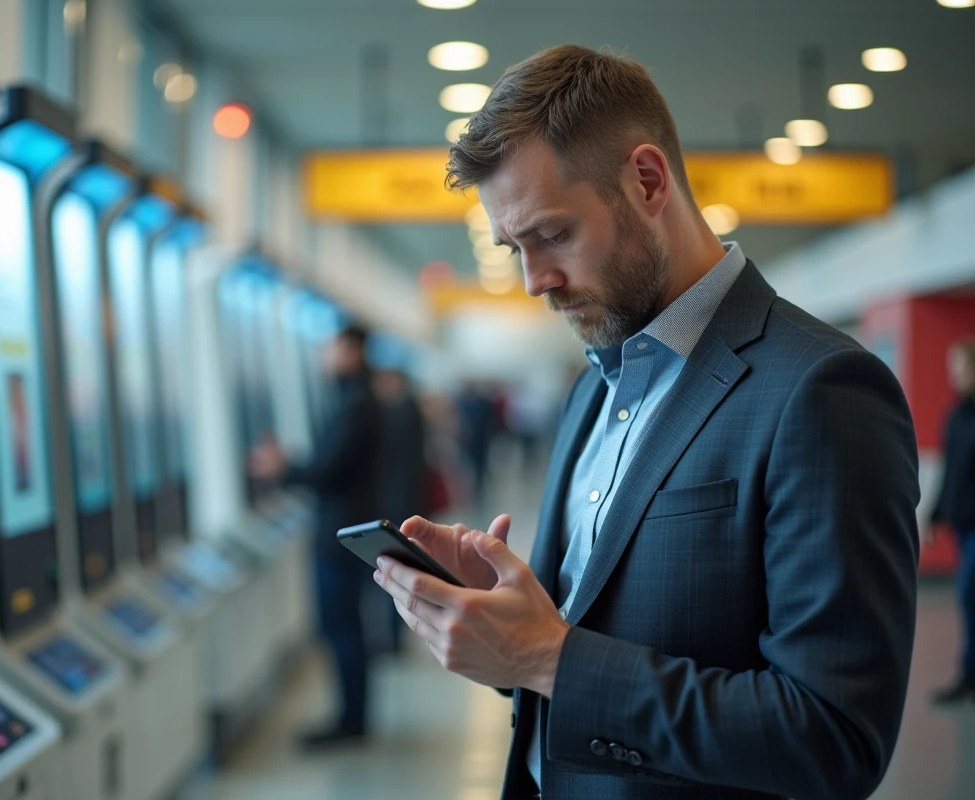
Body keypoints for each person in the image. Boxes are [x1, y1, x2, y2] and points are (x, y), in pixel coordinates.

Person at [373, 44, 920, 800]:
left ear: (648, 180)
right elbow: (583, 648)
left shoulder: (821, 389)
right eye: (514, 248)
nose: (534, 281)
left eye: (554, 235)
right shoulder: (592, 389)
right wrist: (510, 626)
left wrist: (547, 656)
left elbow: (833, 736)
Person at [249, 325, 380, 748]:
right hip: (345, 531)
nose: (325, 357)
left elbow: (329, 471)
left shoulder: (357, 404)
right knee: (345, 627)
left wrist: (283, 467)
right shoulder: (357, 400)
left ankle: (352, 721)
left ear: (351, 350)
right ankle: (352, 716)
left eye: (331, 348)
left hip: (340, 536)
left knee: (341, 628)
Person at [931, 338, 975, 705]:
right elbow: (949, 470)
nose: (954, 375)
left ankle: (968, 673)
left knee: (966, 591)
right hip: (962, 523)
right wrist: (934, 512)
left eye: (959, 367)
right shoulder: (955, 415)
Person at [373, 368, 428, 653]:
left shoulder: (401, 413)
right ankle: (394, 635)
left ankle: (395, 636)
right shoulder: (410, 411)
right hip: (404, 501)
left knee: (394, 566)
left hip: (399, 504)